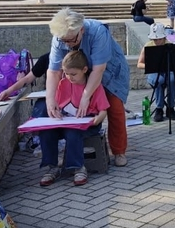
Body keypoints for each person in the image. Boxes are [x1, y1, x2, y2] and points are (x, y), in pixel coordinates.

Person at [47, 8, 130, 167]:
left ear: (81, 30)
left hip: (110, 72)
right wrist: (51, 100)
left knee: (115, 109)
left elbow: (99, 69)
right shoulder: (60, 38)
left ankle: (119, 151)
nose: (67, 44)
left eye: (71, 40)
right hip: (81, 73)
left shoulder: (98, 31)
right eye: (64, 41)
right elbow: (53, 71)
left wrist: (86, 97)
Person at [38, 50, 109, 187]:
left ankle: (78, 167)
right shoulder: (63, 84)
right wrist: (55, 112)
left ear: (84, 69)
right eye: (66, 73)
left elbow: (103, 111)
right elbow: (57, 104)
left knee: (73, 133)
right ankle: (52, 167)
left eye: (73, 74)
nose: (69, 77)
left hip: (88, 124)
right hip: (66, 122)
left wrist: (97, 120)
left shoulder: (93, 86)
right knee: (46, 132)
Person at [137, 23, 175, 122]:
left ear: (164, 37)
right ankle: (159, 109)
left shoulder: (169, 46)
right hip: (154, 71)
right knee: (159, 80)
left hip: (167, 70)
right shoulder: (147, 46)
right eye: (155, 39)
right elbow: (139, 64)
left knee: (172, 80)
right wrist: (151, 66)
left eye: (159, 39)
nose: (157, 41)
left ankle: (170, 108)